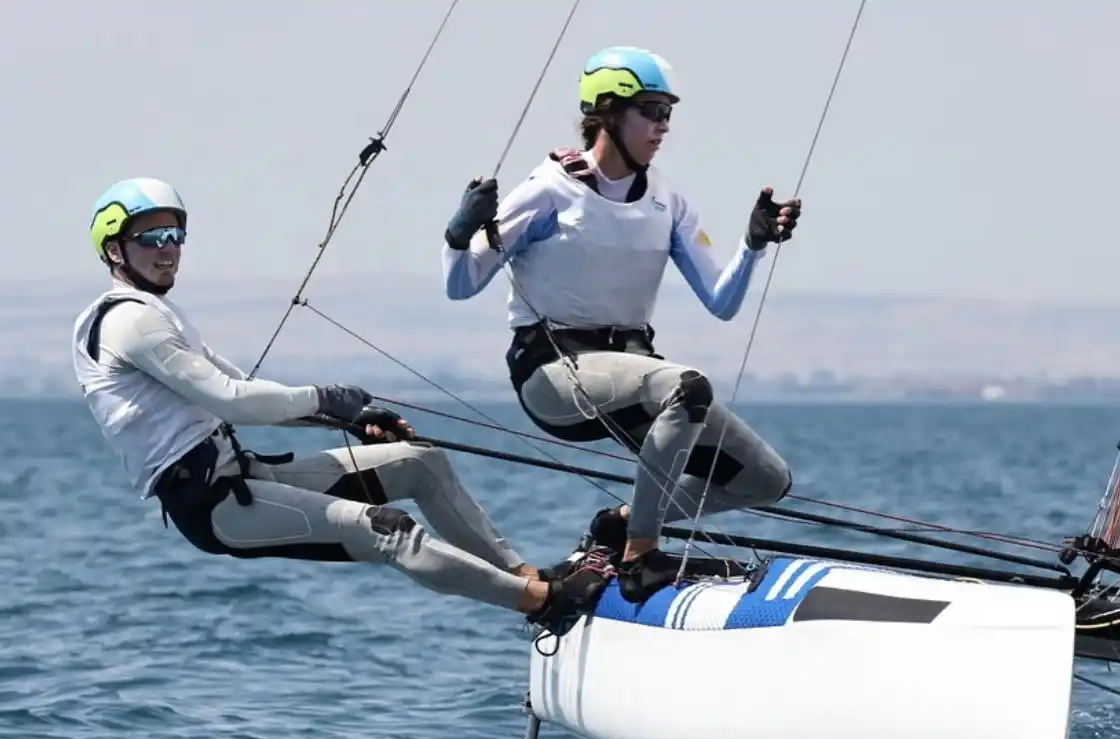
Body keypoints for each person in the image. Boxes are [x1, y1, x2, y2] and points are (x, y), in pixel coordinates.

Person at [73, 176, 611, 633]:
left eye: (176, 235)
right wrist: (328, 398)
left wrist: (349, 416)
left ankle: (530, 577)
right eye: (151, 238)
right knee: (388, 530)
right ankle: (545, 606)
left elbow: (241, 385)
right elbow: (232, 401)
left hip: (243, 474)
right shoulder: (130, 320)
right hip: (215, 506)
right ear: (115, 251)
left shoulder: (155, 312)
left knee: (418, 463)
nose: (168, 248)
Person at [439, 46, 803, 601]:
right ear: (608, 111)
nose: (663, 126)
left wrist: (752, 246)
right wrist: (457, 236)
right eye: (651, 110)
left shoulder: (669, 203)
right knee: (686, 388)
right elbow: (461, 285)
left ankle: (618, 527)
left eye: (668, 113)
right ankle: (640, 555)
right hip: (552, 374)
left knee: (765, 480)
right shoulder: (547, 191)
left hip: (634, 376)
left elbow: (721, 302)